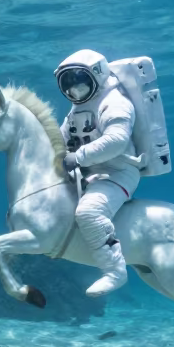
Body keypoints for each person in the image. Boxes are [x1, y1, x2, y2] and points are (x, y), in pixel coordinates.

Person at [54, 49, 141, 297]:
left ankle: (115, 272)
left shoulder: (115, 103)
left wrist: (77, 157)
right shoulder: (75, 110)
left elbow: (116, 140)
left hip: (119, 173)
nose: (73, 89)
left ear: (97, 76)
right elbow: (61, 139)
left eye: (78, 81)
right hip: (88, 173)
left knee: (89, 211)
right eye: (67, 83)